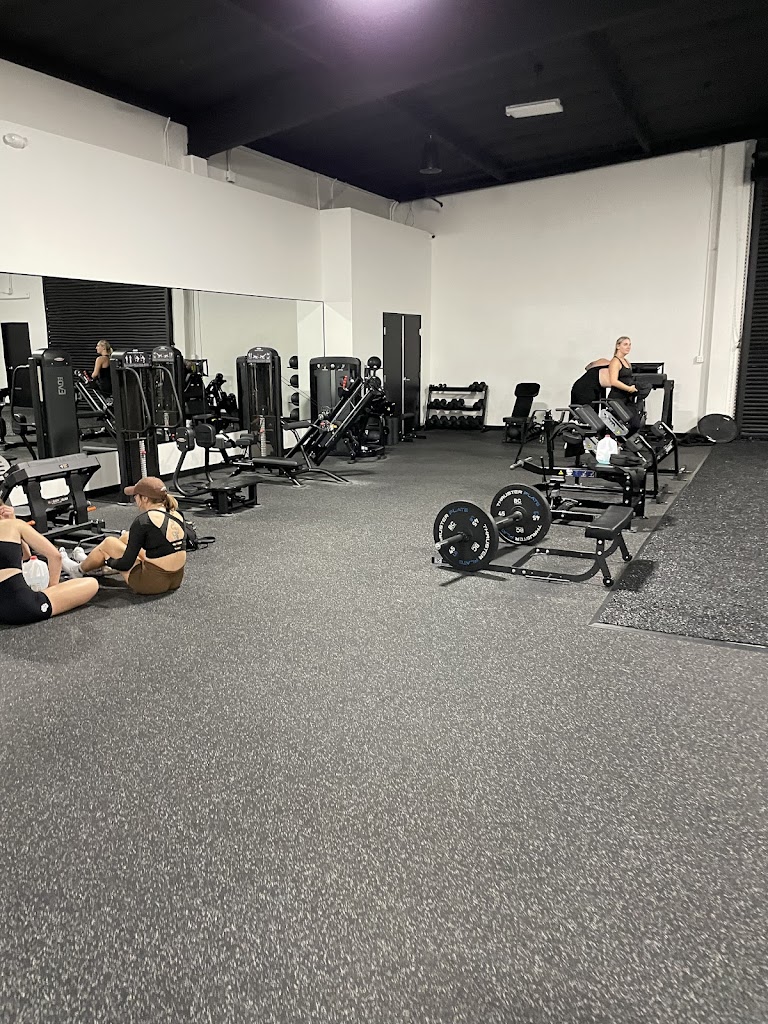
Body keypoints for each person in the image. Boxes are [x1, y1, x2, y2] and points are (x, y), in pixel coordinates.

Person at [62, 477, 186, 595]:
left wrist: (107, 560)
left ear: (145, 498)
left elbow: (125, 564)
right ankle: (93, 564)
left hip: (150, 583)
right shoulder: (176, 514)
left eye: (135, 495)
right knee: (127, 537)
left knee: (109, 543)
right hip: (175, 580)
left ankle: (78, 570)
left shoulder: (144, 521)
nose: (135, 499)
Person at [0, 504, 98, 626]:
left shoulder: (13, 525)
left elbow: (25, 556)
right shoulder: (15, 525)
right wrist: (53, 590)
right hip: (22, 605)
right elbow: (55, 556)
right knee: (92, 583)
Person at [565, 358, 612, 458]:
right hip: (585, 389)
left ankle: (581, 444)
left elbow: (588, 367)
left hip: (590, 388)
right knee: (582, 417)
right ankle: (576, 444)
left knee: (589, 417)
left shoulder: (603, 363)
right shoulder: (608, 363)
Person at [607, 336, 641, 433]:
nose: (628, 347)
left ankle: (623, 440)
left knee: (635, 424)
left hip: (627, 398)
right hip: (617, 398)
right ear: (618, 346)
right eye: (625, 344)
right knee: (628, 423)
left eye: (629, 345)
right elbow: (613, 381)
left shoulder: (627, 362)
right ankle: (617, 440)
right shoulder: (615, 361)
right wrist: (628, 388)